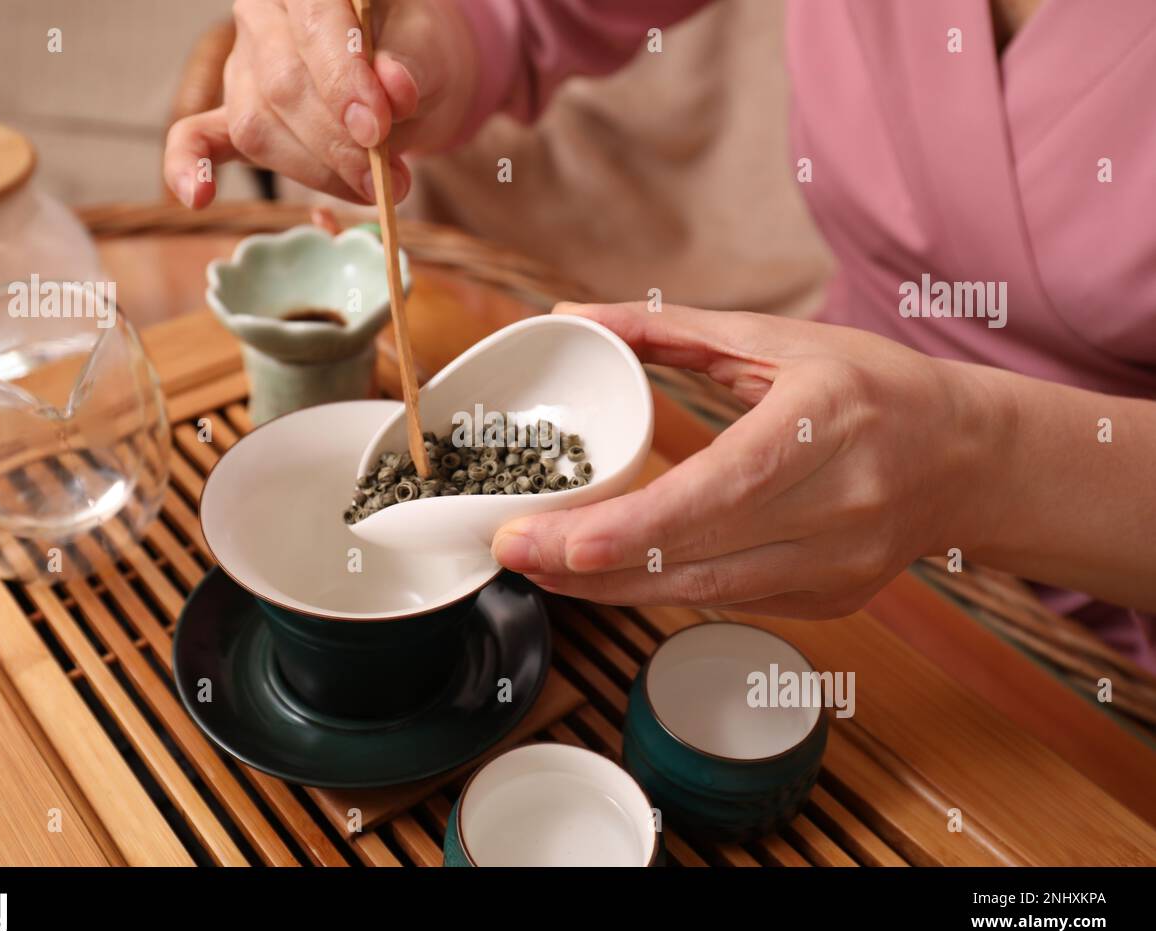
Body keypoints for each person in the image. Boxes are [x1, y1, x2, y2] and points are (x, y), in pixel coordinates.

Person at [164, 0, 1156, 668]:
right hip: (796, 454)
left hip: (1101, 605)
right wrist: (399, 57)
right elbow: (527, 15)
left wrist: (974, 464)